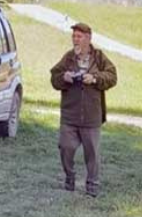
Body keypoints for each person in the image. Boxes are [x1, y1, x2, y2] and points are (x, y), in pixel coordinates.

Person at [51, 22, 118, 197]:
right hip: (70, 114)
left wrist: (94, 78)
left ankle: (92, 187)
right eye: (73, 36)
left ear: (88, 38)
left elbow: (112, 76)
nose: (75, 39)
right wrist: (64, 77)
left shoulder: (99, 57)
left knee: (92, 154)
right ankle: (70, 177)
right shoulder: (68, 57)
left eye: (79, 36)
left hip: (91, 116)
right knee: (66, 148)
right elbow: (54, 77)